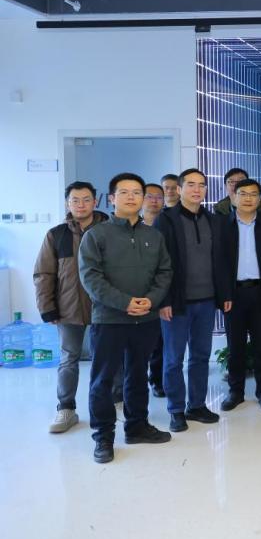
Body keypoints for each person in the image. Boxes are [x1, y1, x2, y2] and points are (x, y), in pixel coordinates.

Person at [78, 172, 173, 463]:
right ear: (111, 199)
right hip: (109, 319)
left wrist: (151, 300)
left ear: (143, 198)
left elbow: (164, 272)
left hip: (145, 318)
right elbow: (91, 278)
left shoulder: (153, 235)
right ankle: (103, 436)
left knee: (138, 374)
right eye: (124, 192)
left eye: (136, 192)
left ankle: (137, 426)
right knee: (103, 379)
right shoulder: (96, 235)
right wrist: (125, 303)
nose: (131, 197)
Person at [155, 168, 232, 433]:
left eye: (201, 185)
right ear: (179, 189)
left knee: (200, 356)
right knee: (173, 358)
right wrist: (163, 300)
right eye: (191, 184)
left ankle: (196, 405)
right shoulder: (166, 220)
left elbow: (221, 261)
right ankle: (176, 410)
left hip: (206, 301)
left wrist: (224, 295)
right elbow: (159, 263)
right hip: (176, 302)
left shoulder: (213, 220)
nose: (197, 189)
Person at [33, 181, 110, 434]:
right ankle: (66, 408)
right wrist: (47, 307)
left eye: (86, 199)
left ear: (95, 202)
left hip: (105, 307)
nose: (80, 205)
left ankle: (113, 404)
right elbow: (44, 273)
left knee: (109, 358)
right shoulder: (56, 235)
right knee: (69, 359)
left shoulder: (109, 230)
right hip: (68, 308)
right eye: (75, 200)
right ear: (67, 203)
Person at [219, 179, 261, 412]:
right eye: (243, 193)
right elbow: (218, 264)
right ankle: (236, 391)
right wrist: (224, 294)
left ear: (260, 199)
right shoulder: (223, 225)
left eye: (254, 194)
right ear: (234, 197)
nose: (248, 198)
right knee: (236, 347)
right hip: (234, 294)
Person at [141, 182, 166, 397]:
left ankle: (157, 380)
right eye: (150, 196)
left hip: (161, 291)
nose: (155, 200)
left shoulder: (167, 224)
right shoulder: (133, 225)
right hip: (135, 292)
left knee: (160, 341)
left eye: (159, 197)